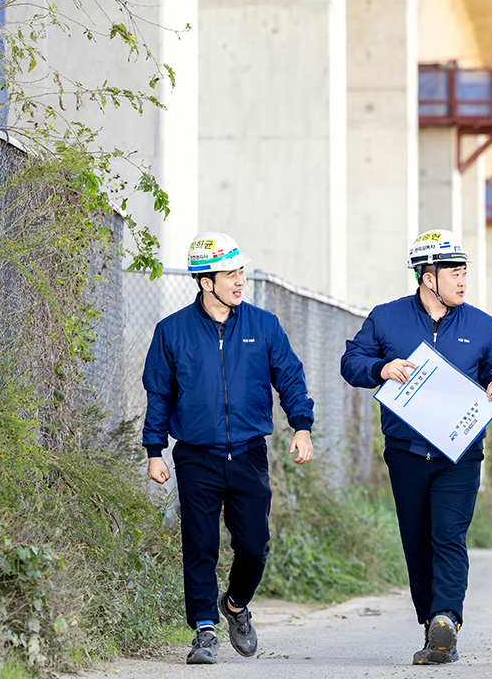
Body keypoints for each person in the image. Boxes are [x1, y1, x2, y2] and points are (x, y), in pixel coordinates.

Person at [340, 229, 492, 665]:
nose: (462, 280)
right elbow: (351, 362)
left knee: (448, 536)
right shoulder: (386, 318)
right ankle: (432, 629)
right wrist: (382, 367)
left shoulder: (480, 323)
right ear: (426, 276)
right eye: (453, 272)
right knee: (416, 541)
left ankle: (447, 618)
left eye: (464, 271)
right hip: (405, 451)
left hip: (461, 453)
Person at [143, 232, 315, 665]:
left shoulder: (264, 325)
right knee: (200, 545)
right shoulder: (172, 331)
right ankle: (203, 630)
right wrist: (153, 450)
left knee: (254, 545)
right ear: (206, 281)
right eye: (231, 274)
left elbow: (290, 378)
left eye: (242, 271)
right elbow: (159, 394)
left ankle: (234, 606)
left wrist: (301, 426)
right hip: (196, 455)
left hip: (248, 451)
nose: (240, 280)